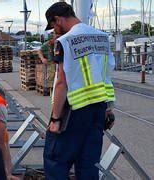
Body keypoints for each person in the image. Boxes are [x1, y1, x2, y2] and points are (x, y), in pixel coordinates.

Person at [43, 2, 115, 180]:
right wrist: (108, 108)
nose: (55, 31)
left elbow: (61, 83)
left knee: (55, 159)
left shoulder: (64, 41)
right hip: (99, 108)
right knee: (89, 163)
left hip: (74, 109)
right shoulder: (102, 37)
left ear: (58, 19)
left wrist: (55, 118)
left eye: (53, 26)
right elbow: (106, 73)